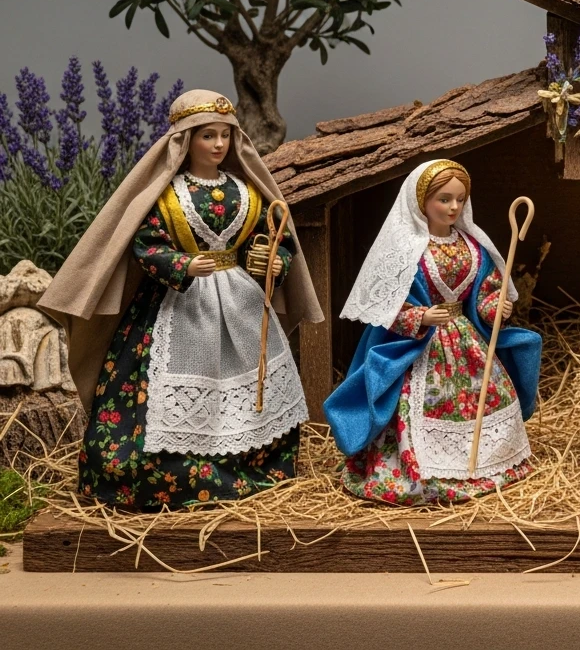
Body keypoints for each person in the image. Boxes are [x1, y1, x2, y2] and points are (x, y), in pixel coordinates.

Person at [40, 90, 321, 509]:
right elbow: (145, 243)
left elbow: (277, 238)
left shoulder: (249, 192)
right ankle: (168, 475)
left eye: (225, 135)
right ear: (186, 140)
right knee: (159, 390)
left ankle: (255, 464)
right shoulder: (167, 194)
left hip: (240, 301)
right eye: (208, 136)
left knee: (250, 387)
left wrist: (271, 261)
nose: (219, 145)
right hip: (177, 306)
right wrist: (182, 266)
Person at [325, 159, 542, 504]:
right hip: (422, 347)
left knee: (483, 395)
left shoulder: (473, 246)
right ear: (421, 200)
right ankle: (420, 469)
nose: (454, 207)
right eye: (444, 199)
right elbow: (384, 305)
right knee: (421, 402)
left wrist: (494, 307)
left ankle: (487, 464)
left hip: (466, 341)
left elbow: (485, 289)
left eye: (459, 199)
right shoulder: (405, 250)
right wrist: (420, 318)